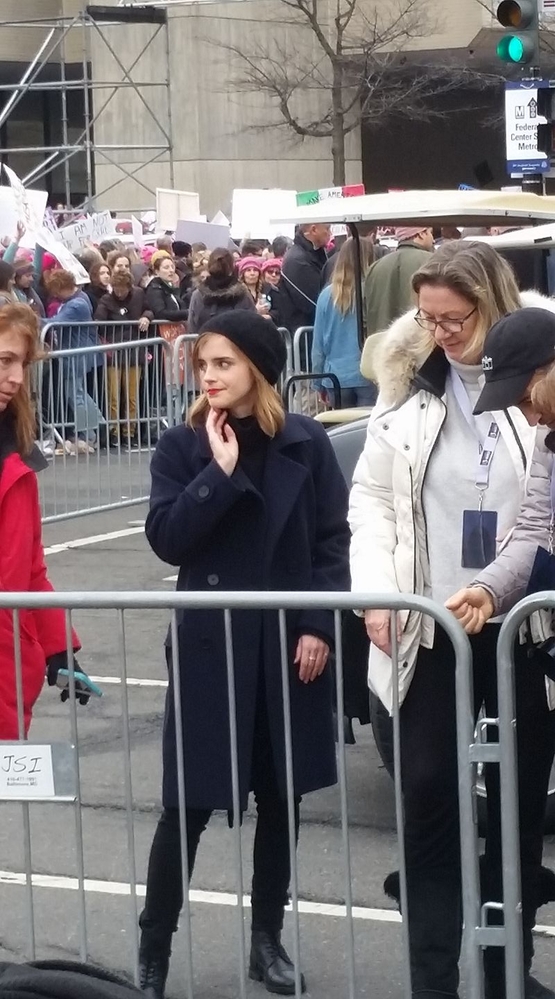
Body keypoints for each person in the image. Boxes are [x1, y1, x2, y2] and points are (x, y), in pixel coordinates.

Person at [348, 241, 555, 999]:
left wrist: (504, 589)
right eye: (427, 316)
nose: (439, 331)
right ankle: (431, 976)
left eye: (455, 318)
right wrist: (377, 591)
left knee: (515, 807)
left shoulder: (541, 372)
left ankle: (507, 971)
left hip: (524, 628)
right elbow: (370, 498)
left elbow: (535, 520)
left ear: (491, 303)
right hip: (427, 621)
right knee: (428, 790)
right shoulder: (404, 381)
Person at [138, 310, 350, 999]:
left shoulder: (306, 442)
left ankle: (266, 939)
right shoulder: (182, 446)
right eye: (202, 364)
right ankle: (152, 948)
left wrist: (318, 622)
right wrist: (218, 476)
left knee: (280, 797)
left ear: (256, 368)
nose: (210, 376)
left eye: (223, 363)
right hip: (212, 648)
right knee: (186, 805)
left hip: (288, 648)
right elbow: (167, 538)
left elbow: (330, 542)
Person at [0, 304, 90, 739]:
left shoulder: (18, 460)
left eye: (22, 363)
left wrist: (59, 650)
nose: (16, 377)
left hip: (7, 667)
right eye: (4, 361)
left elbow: (32, 571)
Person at [446, 307, 555, 633]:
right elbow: (537, 530)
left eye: (526, 399)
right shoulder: (547, 439)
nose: (532, 419)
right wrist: (489, 589)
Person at [311, 236, 375, 408]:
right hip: (368, 373)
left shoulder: (326, 296)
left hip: (335, 376)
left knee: (342, 430)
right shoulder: (372, 291)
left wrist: (317, 382)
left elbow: (318, 345)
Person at [45, 270, 104, 454]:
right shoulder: (80, 298)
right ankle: (96, 426)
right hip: (77, 354)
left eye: (55, 290)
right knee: (79, 393)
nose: (54, 294)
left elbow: (55, 322)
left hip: (76, 356)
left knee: (76, 395)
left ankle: (91, 434)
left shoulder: (76, 304)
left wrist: (31, 319)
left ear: (62, 287)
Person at [94, 272, 154, 449]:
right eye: (116, 289)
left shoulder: (139, 295)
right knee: (113, 395)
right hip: (114, 352)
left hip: (135, 352)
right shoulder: (106, 300)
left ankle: (130, 432)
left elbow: (149, 309)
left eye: (123, 289)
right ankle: (114, 432)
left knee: (132, 396)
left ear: (129, 287)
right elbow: (99, 320)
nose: (119, 293)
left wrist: (146, 317)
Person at [363, 225, 434, 338]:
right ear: (421, 234)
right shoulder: (432, 262)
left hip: (382, 346)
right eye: (430, 233)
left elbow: (365, 316)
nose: (433, 239)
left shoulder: (375, 267)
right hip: (421, 345)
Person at [187, 248, 255, 335]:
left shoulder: (198, 294)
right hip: (235, 345)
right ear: (232, 267)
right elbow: (252, 323)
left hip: (206, 344)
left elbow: (192, 327)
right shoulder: (242, 293)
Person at [279, 223, 330, 334]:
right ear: (314, 230)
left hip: (312, 332)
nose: (330, 233)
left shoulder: (315, 254)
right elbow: (316, 301)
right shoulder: (296, 260)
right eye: (327, 228)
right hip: (304, 335)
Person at [145, 255, 189, 324]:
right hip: (161, 330)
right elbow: (160, 313)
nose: (171, 270)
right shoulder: (155, 289)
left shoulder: (170, 287)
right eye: (166, 268)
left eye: (172, 267)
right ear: (157, 271)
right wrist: (185, 313)